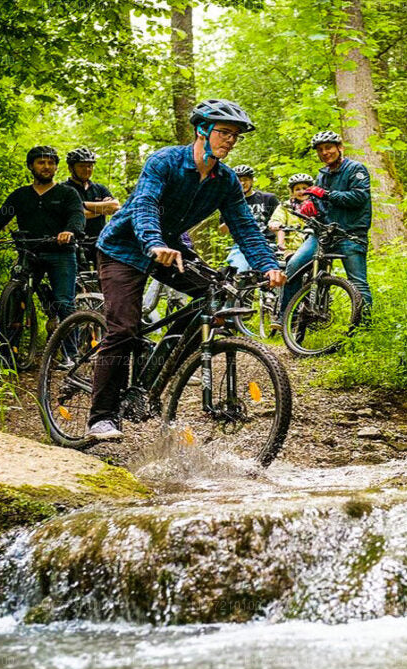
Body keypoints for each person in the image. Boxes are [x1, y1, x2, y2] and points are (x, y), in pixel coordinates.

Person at [85, 99, 286, 441]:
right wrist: (153, 243)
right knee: (124, 329)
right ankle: (101, 416)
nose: (230, 140)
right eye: (224, 132)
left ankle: (153, 376)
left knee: (212, 294)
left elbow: (245, 228)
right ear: (201, 131)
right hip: (124, 248)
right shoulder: (165, 161)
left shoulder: (225, 180)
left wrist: (268, 266)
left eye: (235, 135)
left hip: (171, 249)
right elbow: (145, 204)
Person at [0, 146, 85, 323]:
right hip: (29, 254)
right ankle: (8, 348)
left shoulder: (68, 193)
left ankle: (72, 351)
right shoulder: (20, 195)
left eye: (51, 163)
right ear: (31, 166)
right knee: (16, 299)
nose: (46, 166)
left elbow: (77, 215)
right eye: (41, 162)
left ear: (56, 167)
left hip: (61, 253)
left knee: (64, 303)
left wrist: (70, 231)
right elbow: (1, 216)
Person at [279, 131, 373, 320]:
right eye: (320, 150)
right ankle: (288, 318)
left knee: (357, 283)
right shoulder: (322, 175)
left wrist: (326, 194)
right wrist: (311, 206)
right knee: (294, 266)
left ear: (340, 148)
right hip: (322, 233)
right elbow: (321, 203)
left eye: (328, 148)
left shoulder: (356, 169)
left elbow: (359, 197)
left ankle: (365, 327)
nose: (325, 153)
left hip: (350, 234)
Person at [217, 164, 283, 271]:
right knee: (239, 272)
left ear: (252, 180)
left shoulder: (268, 198)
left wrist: (281, 243)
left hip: (269, 244)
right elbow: (223, 230)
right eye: (239, 180)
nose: (242, 183)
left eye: (245, 179)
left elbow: (279, 222)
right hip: (242, 244)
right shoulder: (230, 202)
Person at [62, 147, 120, 239]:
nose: (87, 169)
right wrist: (102, 209)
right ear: (71, 168)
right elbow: (70, 215)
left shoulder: (100, 188)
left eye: (90, 166)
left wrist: (83, 205)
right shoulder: (63, 189)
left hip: (99, 240)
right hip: (74, 242)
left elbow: (115, 207)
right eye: (82, 166)